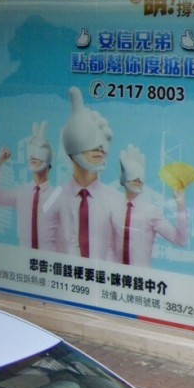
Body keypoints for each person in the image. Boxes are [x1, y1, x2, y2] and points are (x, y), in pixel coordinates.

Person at [42, 87, 122, 262]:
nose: (99, 151)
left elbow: (121, 249)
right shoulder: (55, 197)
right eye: (92, 146)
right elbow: (45, 240)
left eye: (102, 147)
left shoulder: (116, 200)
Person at [112, 144, 189, 268]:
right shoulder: (113, 209)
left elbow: (180, 240)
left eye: (140, 176)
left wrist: (181, 206)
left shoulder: (151, 211)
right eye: (132, 175)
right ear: (123, 178)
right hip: (115, 275)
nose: (138, 180)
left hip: (142, 276)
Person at [0, 122, 53, 249]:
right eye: (32, 156)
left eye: (39, 154)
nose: (34, 157)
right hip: (24, 255)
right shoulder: (21, 193)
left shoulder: (57, 196)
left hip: (50, 257)